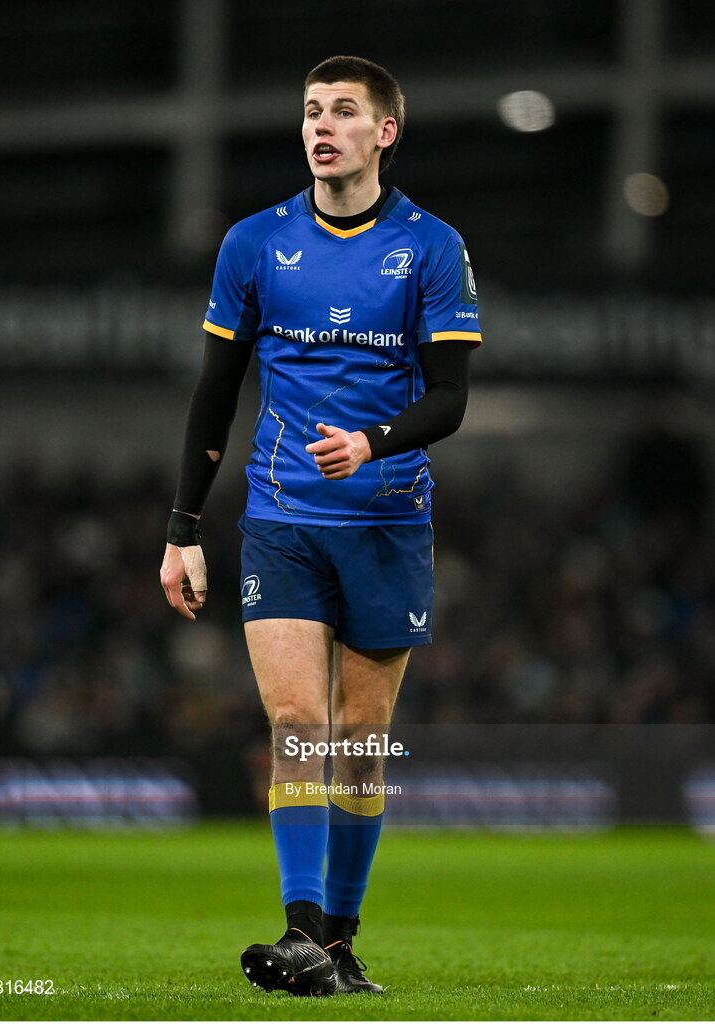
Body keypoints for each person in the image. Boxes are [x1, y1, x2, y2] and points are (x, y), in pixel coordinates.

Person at [160, 54, 482, 997]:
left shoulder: (430, 246)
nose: (322, 125)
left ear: (384, 132)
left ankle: (338, 947)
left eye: (344, 111)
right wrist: (182, 529)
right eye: (311, 110)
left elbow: (452, 397)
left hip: (385, 521)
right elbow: (214, 397)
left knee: (359, 744)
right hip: (283, 521)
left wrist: (374, 441)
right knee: (298, 723)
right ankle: (301, 933)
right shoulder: (254, 245)